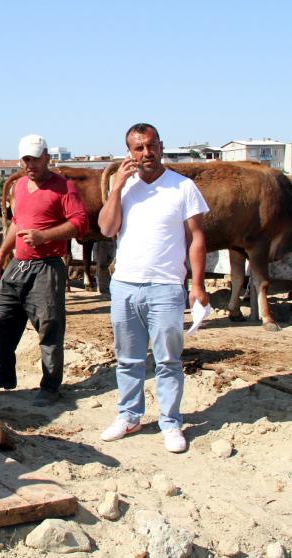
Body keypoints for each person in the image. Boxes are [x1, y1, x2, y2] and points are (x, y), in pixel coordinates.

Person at [97, 123, 209, 453]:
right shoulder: (124, 187)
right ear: (129, 152)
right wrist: (116, 187)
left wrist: (198, 285)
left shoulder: (183, 187)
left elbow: (197, 238)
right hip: (125, 286)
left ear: (160, 146)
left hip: (166, 286)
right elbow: (106, 228)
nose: (146, 153)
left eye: (151, 146)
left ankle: (171, 423)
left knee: (168, 360)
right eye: (138, 148)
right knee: (128, 359)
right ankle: (129, 416)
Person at [0, 134, 89, 406]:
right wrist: (1, 253)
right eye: (25, 159)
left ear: (47, 157)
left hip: (47, 265)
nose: (30, 164)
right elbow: (17, 223)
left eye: (35, 158)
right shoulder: (20, 186)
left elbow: (80, 224)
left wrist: (46, 236)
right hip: (18, 264)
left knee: (49, 328)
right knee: (0, 321)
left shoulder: (64, 187)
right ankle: (6, 374)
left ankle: (50, 386)